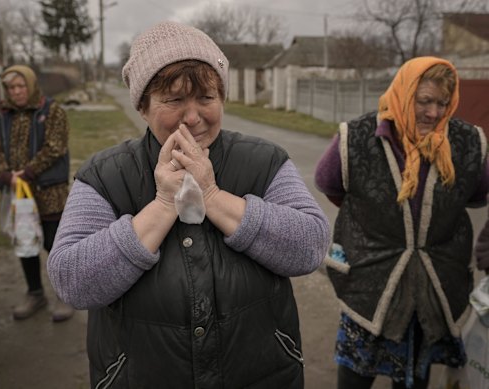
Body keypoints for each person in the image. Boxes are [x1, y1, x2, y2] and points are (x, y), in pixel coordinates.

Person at [47, 21, 330, 388]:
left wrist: (211, 196)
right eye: (174, 99)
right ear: (143, 107)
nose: (193, 117)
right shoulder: (105, 176)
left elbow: (311, 246)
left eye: (206, 98)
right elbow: (72, 281)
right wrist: (165, 202)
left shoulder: (264, 162)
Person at [315, 56, 489, 389]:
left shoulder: (466, 143)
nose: (434, 113)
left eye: (442, 103)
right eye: (424, 101)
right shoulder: (357, 137)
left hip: (433, 285)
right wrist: (373, 218)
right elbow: (329, 183)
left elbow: (476, 195)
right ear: (403, 95)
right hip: (371, 283)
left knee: (415, 374)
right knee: (355, 373)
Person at [0, 65, 74, 322]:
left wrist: (27, 172)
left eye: (21, 86)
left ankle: (65, 294)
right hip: (19, 194)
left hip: (49, 192)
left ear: (31, 85)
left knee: (53, 243)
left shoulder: (52, 111)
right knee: (26, 244)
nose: (16, 92)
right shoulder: (2, 117)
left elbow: (55, 146)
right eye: (12, 88)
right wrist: (5, 174)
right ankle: (35, 293)